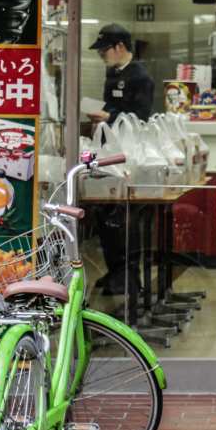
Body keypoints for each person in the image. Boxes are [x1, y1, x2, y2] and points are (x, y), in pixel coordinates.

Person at [86, 24, 154, 297]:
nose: (102, 55)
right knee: (107, 215)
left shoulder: (140, 77)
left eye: (105, 50)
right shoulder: (112, 73)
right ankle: (115, 270)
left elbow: (140, 116)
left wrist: (110, 117)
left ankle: (128, 274)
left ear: (120, 48)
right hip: (109, 152)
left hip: (127, 157)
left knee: (124, 219)